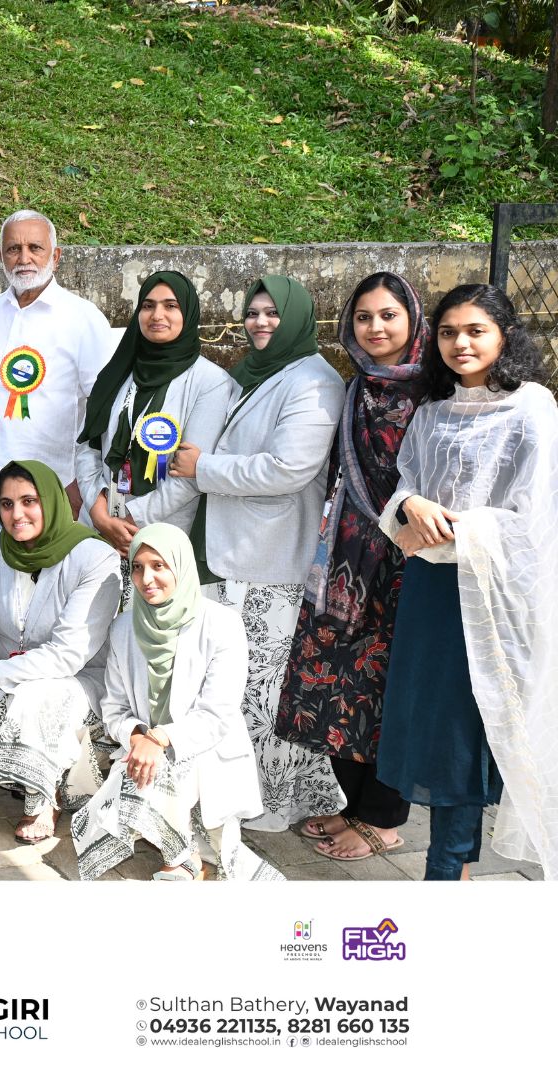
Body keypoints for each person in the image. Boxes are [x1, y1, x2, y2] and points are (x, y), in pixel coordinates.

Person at [377, 284, 558, 880]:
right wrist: (410, 506)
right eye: (449, 332)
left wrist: (451, 529)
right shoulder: (432, 412)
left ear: (505, 336)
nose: (461, 343)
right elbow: (406, 483)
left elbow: (536, 517)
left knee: (469, 730)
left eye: (476, 330)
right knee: (436, 726)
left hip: (494, 593)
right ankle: (451, 866)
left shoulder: (532, 408)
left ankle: (447, 866)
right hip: (430, 595)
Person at [169, 275, 348, 832]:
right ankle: (217, 792)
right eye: (253, 312)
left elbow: (289, 468)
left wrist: (203, 469)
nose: (261, 322)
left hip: (269, 557)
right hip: (222, 549)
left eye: (273, 313)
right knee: (222, 680)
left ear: (297, 318)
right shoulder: (249, 372)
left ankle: (265, 803)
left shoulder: (315, 382)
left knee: (261, 688)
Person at [274, 272, 429, 861]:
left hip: (404, 562)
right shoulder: (355, 388)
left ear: (413, 320)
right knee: (338, 680)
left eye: (389, 315)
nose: (375, 327)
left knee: (389, 688)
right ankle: (354, 804)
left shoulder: (431, 393)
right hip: (344, 560)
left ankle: (384, 819)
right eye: (364, 317)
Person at [0, 460, 120, 842]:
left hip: (73, 681)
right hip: (1, 670)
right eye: (7, 504)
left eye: (29, 501)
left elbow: (67, 654)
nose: (17, 514)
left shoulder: (94, 558)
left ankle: (43, 797)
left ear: (51, 501)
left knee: (36, 697)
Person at [68, 523, 277, 879]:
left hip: (205, 748)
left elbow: (216, 715)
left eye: (159, 565)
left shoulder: (222, 625)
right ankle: (183, 852)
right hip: (146, 747)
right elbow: (114, 708)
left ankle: (179, 859)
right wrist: (138, 736)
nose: (146, 578)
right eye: (137, 567)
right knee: (144, 769)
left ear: (181, 566)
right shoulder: (124, 628)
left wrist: (160, 738)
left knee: (160, 769)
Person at [78, 271, 236, 602]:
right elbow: (87, 447)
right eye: (148, 305)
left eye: (170, 306)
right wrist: (98, 510)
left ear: (188, 313)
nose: (157, 315)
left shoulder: (211, 383)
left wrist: (128, 519)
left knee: (149, 626)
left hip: (159, 540)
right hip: (99, 529)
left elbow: (190, 475)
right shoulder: (118, 371)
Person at [0, 210, 111, 559]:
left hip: (55, 483)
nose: (24, 258)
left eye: (35, 247)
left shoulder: (82, 318)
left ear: (55, 256)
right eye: (13, 249)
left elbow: (104, 405)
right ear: (1, 256)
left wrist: (81, 478)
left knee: (47, 576)